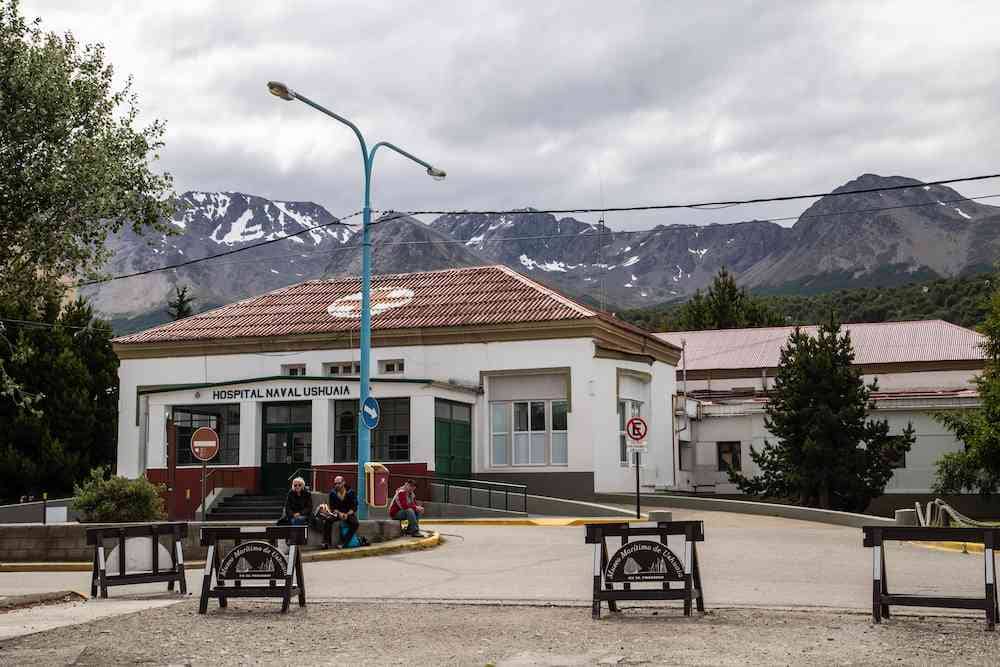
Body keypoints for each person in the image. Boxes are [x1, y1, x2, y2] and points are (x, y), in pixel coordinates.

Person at [317, 475, 359, 549]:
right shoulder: (332, 493)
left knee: (355, 523)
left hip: (348, 513)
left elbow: (354, 506)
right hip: (337, 513)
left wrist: (347, 514)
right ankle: (326, 542)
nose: (337, 485)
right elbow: (333, 508)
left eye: (339, 483)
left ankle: (344, 542)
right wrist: (339, 513)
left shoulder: (351, 492)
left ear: (343, 483)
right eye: (335, 484)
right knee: (328, 520)